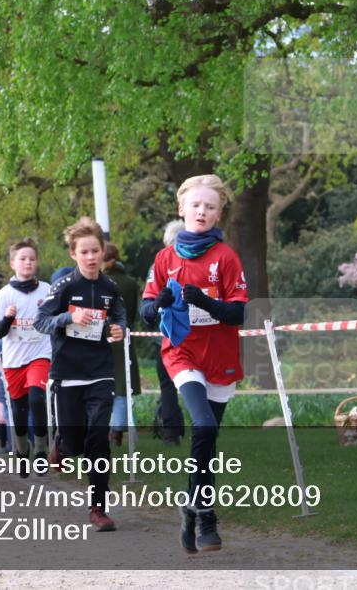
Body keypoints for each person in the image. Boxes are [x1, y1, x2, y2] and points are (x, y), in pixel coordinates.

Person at [141, 175, 249, 553]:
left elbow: (238, 315)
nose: (202, 212)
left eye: (210, 207)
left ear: (218, 215)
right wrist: (160, 306)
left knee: (208, 438)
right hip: (182, 352)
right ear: (181, 209)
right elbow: (146, 311)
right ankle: (207, 517)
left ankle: (193, 508)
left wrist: (203, 302)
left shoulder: (226, 258)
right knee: (202, 423)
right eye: (196, 205)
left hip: (220, 356)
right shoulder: (165, 259)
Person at [36, 217, 126, 532]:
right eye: (84, 252)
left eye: (95, 251)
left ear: (103, 253)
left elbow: (119, 316)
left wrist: (119, 329)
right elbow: (41, 322)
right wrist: (68, 317)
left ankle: (99, 508)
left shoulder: (110, 287)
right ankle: (62, 441)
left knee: (98, 438)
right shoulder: (64, 286)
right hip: (68, 372)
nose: (90, 257)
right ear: (74, 254)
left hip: (100, 372)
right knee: (75, 445)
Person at [0, 238, 53, 475]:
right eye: (23, 259)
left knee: (37, 399)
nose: (28, 262)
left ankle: (39, 449)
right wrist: (8, 318)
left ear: (36, 263)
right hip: (14, 359)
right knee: (18, 410)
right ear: (12, 264)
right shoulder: (4, 295)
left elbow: (54, 320)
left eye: (32, 259)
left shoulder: (47, 290)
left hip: (40, 354)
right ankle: (21, 449)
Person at [103, 242, 140, 448]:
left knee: (104, 385)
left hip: (101, 337)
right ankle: (118, 429)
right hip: (124, 336)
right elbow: (134, 313)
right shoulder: (130, 283)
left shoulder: (99, 282)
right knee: (123, 386)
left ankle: (113, 428)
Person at [154, 220, 186, 446]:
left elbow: (150, 302)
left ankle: (171, 433)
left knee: (167, 386)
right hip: (189, 333)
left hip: (166, 335)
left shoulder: (160, 262)